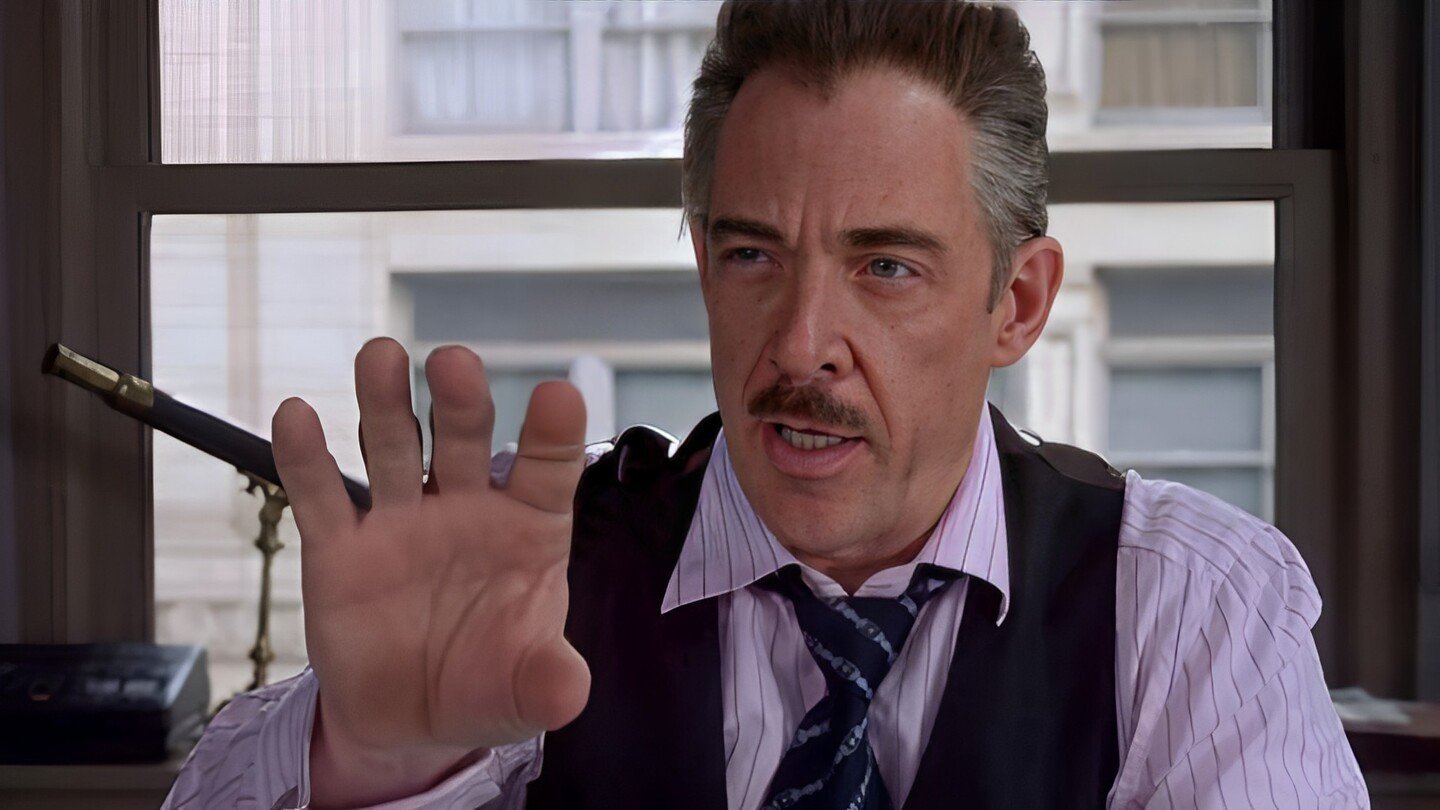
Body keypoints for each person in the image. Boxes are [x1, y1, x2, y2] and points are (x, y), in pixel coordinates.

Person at [162, 1, 1368, 808]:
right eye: (752, 256)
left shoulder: (1188, 605)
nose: (798, 344)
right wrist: (374, 763)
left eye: (884, 267)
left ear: (1017, 302)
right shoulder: (530, 576)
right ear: (702, 264)